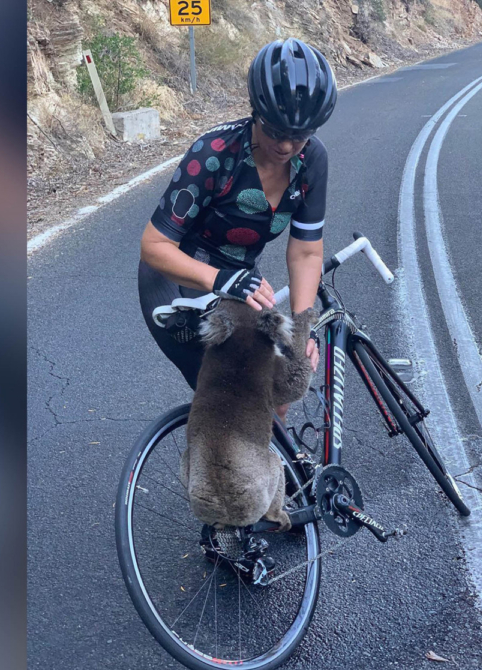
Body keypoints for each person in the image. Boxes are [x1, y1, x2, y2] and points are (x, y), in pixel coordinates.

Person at [138, 37, 337, 419]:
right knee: (233, 399)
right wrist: (220, 279)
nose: (286, 145)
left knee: (276, 391)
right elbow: (154, 245)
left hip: (239, 280)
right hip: (176, 279)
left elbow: (306, 251)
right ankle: (213, 476)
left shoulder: (312, 160)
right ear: (255, 111)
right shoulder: (212, 155)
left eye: (301, 135)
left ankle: (273, 475)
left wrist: (301, 328)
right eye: (276, 130)